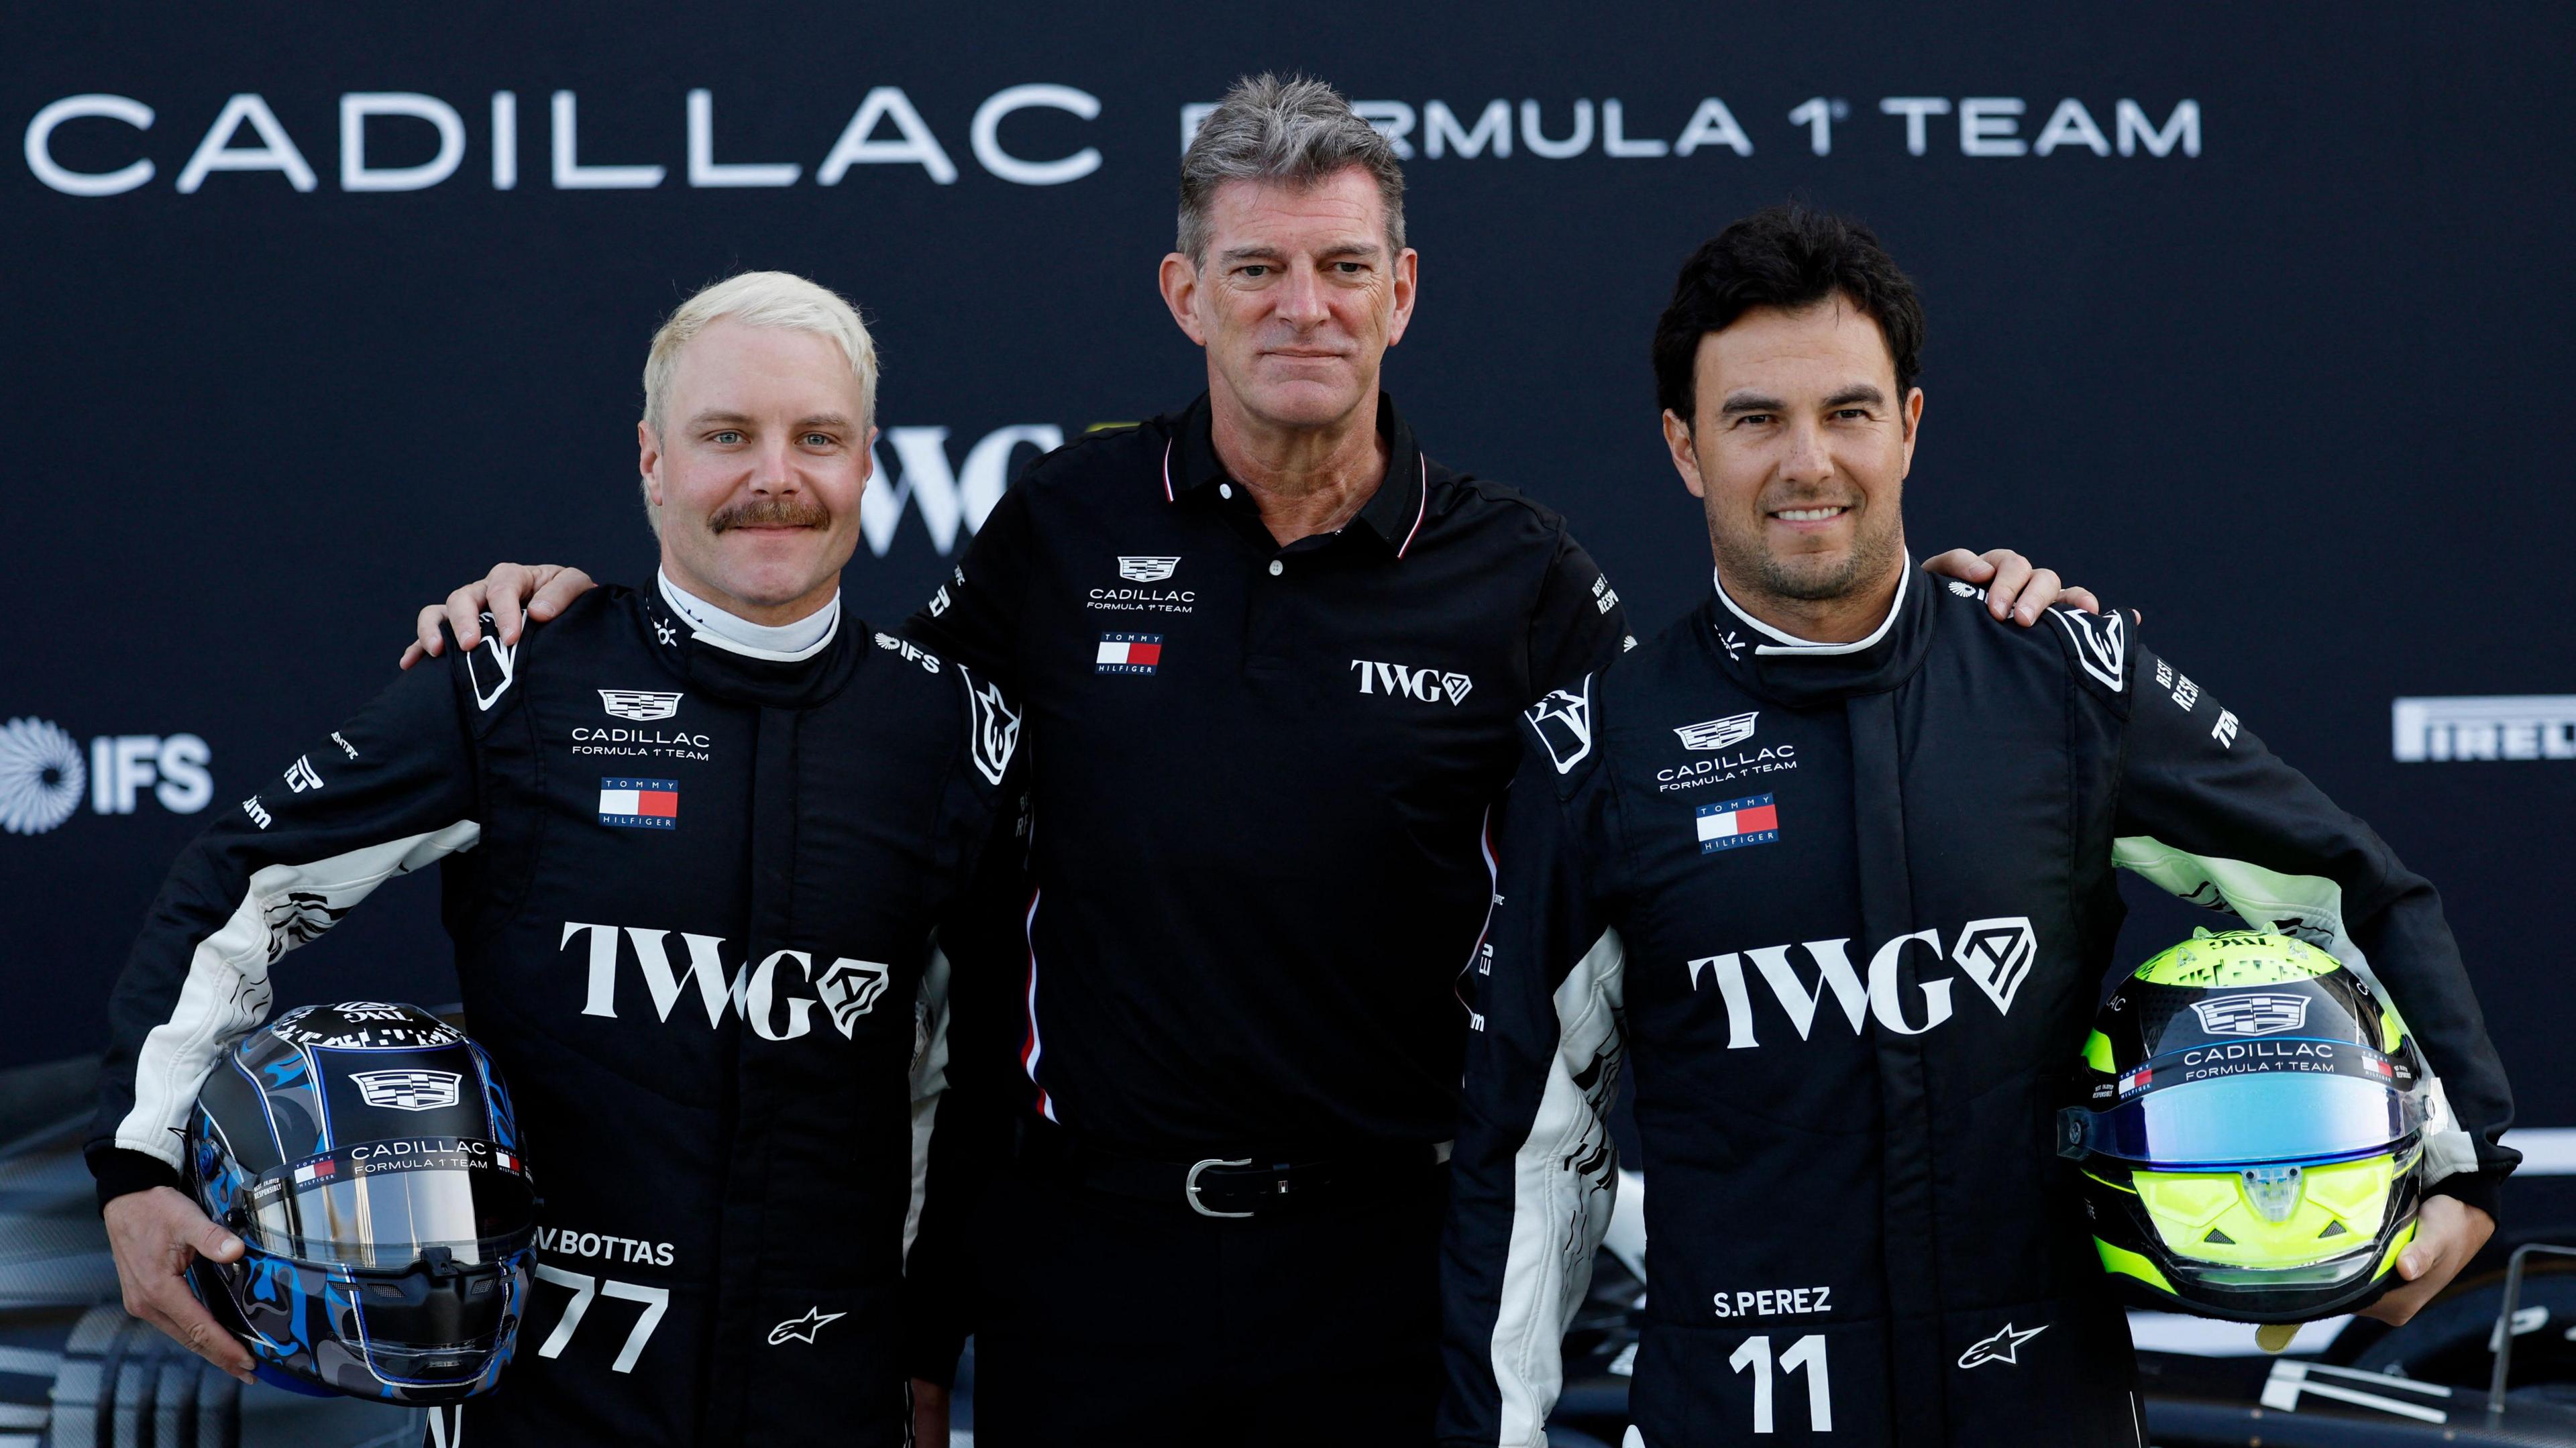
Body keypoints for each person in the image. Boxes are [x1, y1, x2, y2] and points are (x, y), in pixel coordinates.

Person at [403, 78, 2086, 1447]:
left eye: (1346, 268)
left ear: (1403, 292)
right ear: (1184, 293)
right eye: (1262, 269)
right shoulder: (1056, 531)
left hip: (1386, 1267)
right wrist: (582, 626)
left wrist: (1950, 627)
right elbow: (843, 713)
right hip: (1089, 1269)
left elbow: (1713, 769)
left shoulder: (1524, 578)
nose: (1305, 307)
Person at [1438, 205, 2516, 1447]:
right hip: (1730, 1414)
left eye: (1847, 412)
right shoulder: (1602, 747)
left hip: (2043, 1406)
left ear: (1907, 424)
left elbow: (2345, 887)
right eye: (1754, 420)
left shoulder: (2062, 681)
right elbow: (1530, 1149)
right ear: (1685, 448)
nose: (1809, 463)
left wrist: (2464, 1164)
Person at [89, 272, 1021, 1447]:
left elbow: (965, 1077)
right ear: (652, 460)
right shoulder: (518, 676)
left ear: (868, 462)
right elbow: (243, 890)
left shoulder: (954, 732)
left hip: (826, 1394)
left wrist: (921, 1342)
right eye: (725, 436)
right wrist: (138, 1163)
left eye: (816, 438)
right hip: (544, 1398)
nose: (773, 478)